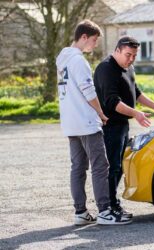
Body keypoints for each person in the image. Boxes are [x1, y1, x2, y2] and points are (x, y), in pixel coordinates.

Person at [56, 20, 131, 225]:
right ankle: (105, 211)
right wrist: (100, 113)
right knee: (101, 167)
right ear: (84, 37)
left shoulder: (62, 60)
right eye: (94, 40)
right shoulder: (79, 61)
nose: (95, 45)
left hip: (70, 123)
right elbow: (88, 91)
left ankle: (80, 212)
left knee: (78, 168)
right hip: (86, 122)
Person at [94, 36, 154, 217]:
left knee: (119, 166)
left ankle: (114, 204)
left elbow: (135, 92)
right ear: (117, 50)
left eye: (134, 56)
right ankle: (107, 207)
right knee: (111, 167)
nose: (131, 59)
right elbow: (112, 102)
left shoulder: (128, 67)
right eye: (128, 55)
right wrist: (136, 114)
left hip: (122, 125)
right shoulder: (106, 69)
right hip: (109, 126)